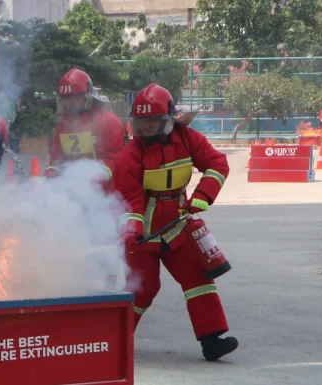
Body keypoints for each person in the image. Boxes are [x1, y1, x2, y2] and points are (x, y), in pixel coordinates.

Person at [113, 83, 238, 361]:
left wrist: (203, 195)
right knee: (141, 289)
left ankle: (212, 340)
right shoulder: (129, 156)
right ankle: (114, 340)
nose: (143, 130)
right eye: (139, 123)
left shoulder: (188, 138)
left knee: (198, 279)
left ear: (168, 121)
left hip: (178, 227)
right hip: (143, 233)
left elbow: (217, 164)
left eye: (151, 122)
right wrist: (131, 230)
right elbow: (130, 199)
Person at [44, 68, 125, 191]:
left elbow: (112, 162)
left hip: (103, 195)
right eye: (65, 98)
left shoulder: (109, 122)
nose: (69, 102)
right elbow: (56, 161)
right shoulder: (63, 125)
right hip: (71, 192)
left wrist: (87, 184)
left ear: (87, 95)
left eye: (73, 97)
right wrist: (48, 180)